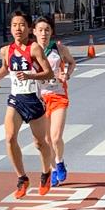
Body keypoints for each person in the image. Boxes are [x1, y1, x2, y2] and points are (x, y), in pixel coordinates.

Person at [0, 11, 55, 199]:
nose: (18, 29)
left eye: (22, 25)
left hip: (33, 99)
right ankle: (22, 178)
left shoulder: (34, 48)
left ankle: (46, 173)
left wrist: (30, 76)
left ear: (29, 28)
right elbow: (6, 68)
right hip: (16, 99)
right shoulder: (6, 50)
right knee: (10, 138)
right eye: (14, 25)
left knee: (39, 142)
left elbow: (49, 73)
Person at [33, 17, 76, 187]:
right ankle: (52, 169)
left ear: (51, 32)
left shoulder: (59, 49)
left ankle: (59, 161)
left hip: (58, 95)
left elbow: (72, 63)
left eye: (47, 30)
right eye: (40, 30)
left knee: (55, 136)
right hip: (38, 98)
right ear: (34, 31)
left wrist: (67, 74)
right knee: (45, 140)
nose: (44, 33)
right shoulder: (29, 51)